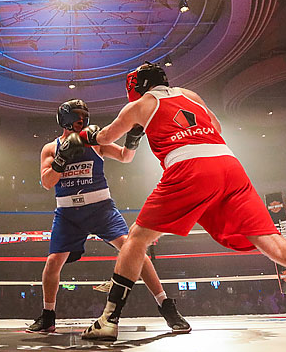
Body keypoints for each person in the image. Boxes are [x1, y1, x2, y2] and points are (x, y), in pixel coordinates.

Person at [79, 63, 286, 344]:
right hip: (229, 165)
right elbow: (217, 128)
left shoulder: (139, 105)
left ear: (139, 86)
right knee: (277, 245)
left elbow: (106, 138)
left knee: (137, 238)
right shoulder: (190, 96)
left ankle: (108, 320)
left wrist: (86, 137)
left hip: (188, 167)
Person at [26, 99, 189, 334]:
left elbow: (125, 156)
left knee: (134, 250)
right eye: (77, 115)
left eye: (84, 115)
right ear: (65, 119)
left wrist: (133, 139)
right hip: (68, 213)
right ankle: (48, 316)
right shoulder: (51, 149)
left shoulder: (95, 140)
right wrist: (62, 160)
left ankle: (166, 307)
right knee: (52, 263)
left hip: (101, 208)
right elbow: (46, 182)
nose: (81, 120)